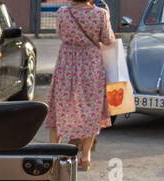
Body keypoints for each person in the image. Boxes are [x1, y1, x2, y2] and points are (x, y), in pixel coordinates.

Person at [46, 0, 116, 170]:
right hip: (91, 63)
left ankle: (56, 153)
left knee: (60, 105)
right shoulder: (101, 14)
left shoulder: (63, 12)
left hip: (66, 61)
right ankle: (85, 157)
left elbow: (59, 33)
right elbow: (108, 40)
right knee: (91, 107)